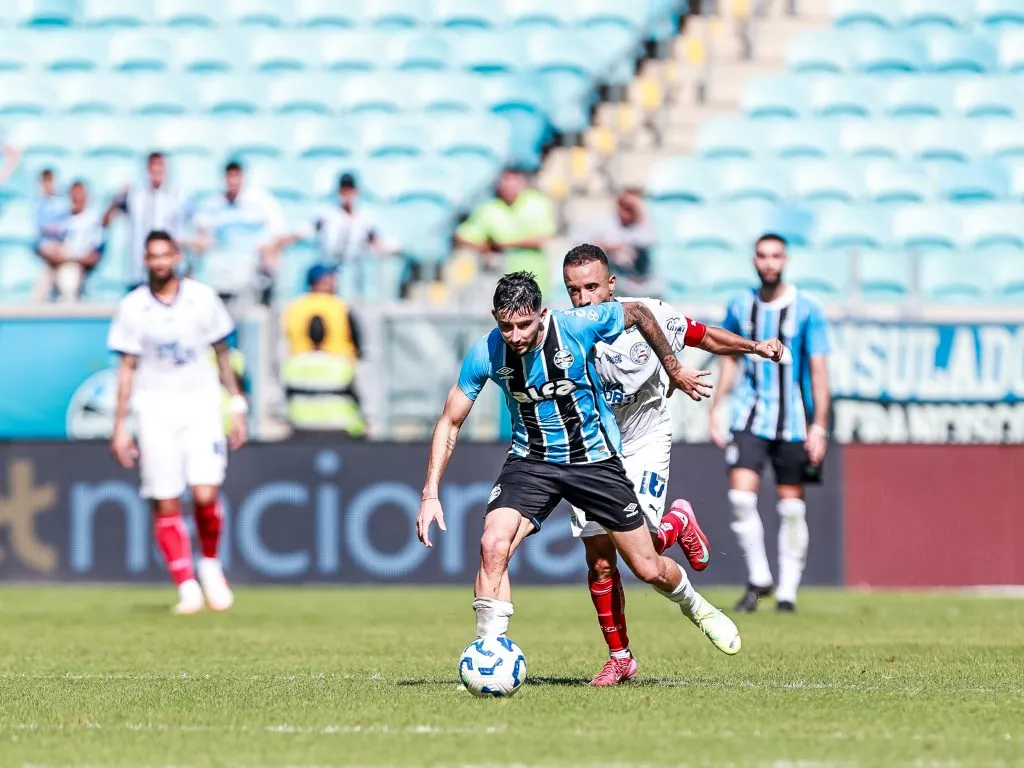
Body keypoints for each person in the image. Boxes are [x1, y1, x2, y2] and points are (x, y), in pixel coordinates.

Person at [416, 268, 743, 671]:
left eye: (524, 324)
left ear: (543, 313)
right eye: (506, 326)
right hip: (531, 460)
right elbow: (450, 421)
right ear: (494, 317)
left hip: (594, 461)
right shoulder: (486, 351)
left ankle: (697, 606)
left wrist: (673, 368)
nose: (515, 336)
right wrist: (430, 493)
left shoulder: (576, 325)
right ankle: (489, 651)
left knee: (645, 566)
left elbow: (639, 312)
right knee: (492, 544)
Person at [561, 244, 785, 685]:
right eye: (573, 290)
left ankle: (676, 522)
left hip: (645, 439)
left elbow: (705, 336)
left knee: (641, 551)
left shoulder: (650, 315)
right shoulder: (561, 332)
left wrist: (755, 347)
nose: (584, 299)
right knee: (601, 560)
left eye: (592, 287)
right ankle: (620, 656)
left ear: (611, 285)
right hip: (590, 449)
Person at [108, 230, 248, 615]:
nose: (159, 262)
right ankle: (186, 585)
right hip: (154, 408)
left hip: (201, 405)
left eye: (165, 255)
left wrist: (236, 406)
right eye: (152, 256)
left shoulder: (203, 299)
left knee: (205, 493)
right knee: (165, 498)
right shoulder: (133, 306)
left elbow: (223, 354)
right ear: (145, 260)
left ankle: (210, 565)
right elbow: (126, 369)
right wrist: (120, 424)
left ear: (177, 257)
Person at [708, 233, 832, 613]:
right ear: (754, 260)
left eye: (775, 256)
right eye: (762, 255)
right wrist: (717, 406)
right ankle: (760, 577)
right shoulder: (741, 306)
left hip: (793, 422)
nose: (769, 263)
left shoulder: (807, 309)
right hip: (749, 415)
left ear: (785, 260)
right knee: (741, 499)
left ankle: (788, 592)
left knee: (791, 508)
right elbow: (729, 355)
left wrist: (820, 424)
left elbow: (818, 368)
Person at [192, 161, 287, 308]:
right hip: (221, 273)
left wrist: (267, 254)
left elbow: (279, 236)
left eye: (237, 176)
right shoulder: (212, 204)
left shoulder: (261, 201)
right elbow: (201, 236)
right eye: (230, 176)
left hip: (253, 273)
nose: (233, 181)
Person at [455, 167, 556, 297]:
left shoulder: (537, 202)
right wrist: (485, 247)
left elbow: (542, 237)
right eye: (505, 183)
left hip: (536, 280)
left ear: (522, 184)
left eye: (513, 183)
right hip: (501, 280)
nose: (509, 188)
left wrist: (503, 244)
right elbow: (462, 237)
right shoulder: (489, 209)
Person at [102, 151, 184, 290]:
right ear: (148, 169)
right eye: (154, 166)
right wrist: (117, 197)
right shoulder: (134, 196)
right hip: (139, 271)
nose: (157, 170)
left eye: (160, 166)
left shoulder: (177, 197)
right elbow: (105, 221)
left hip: (167, 268)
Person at [283, 315, 366, 437]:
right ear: (327, 335)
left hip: (301, 426)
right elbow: (356, 401)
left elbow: (285, 400)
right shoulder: (341, 365)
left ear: (306, 335)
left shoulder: (292, 365)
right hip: (338, 427)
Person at [574, 188, 657, 296]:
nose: (629, 213)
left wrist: (640, 214)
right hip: (614, 284)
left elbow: (648, 240)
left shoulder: (641, 224)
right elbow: (578, 241)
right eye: (627, 207)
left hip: (641, 285)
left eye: (633, 208)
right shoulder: (604, 223)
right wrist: (603, 246)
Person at [35, 180, 104, 302]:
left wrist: (68, 257)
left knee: (67, 278)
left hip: (76, 266)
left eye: (79, 195)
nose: (76, 199)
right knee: (39, 289)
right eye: (73, 195)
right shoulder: (64, 218)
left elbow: (94, 256)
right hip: (56, 263)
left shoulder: (93, 220)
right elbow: (44, 244)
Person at [283, 263, 361, 359]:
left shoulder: (294, 307)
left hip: (299, 366)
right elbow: (356, 336)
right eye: (330, 278)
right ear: (317, 282)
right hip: (338, 366)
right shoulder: (339, 306)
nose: (334, 282)